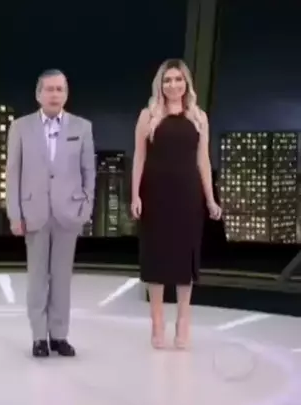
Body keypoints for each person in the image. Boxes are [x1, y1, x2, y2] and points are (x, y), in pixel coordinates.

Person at [131, 59, 222, 350]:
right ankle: (157, 323)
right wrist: (135, 195)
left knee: (185, 258)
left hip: (187, 194)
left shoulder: (198, 117)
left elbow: (203, 161)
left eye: (178, 79)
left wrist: (210, 198)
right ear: (160, 84)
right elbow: (139, 157)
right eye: (168, 80)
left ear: (186, 83)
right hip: (155, 193)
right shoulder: (148, 115)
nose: (173, 85)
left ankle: (183, 322)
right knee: (156, 257)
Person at [6, 69, 96, 358]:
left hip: (68, 213)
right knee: (37, 278)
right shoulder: (20, 127)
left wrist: (86, 207)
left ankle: (59, 335)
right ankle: (38, 337)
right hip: (33, 212)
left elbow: (89, 172)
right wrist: (14, 214)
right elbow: (13, 173)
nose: (55, 94)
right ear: (38, 94)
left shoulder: (83, 127)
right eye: (49, 89)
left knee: (61, 278)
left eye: (60, 89)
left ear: (66, 94)